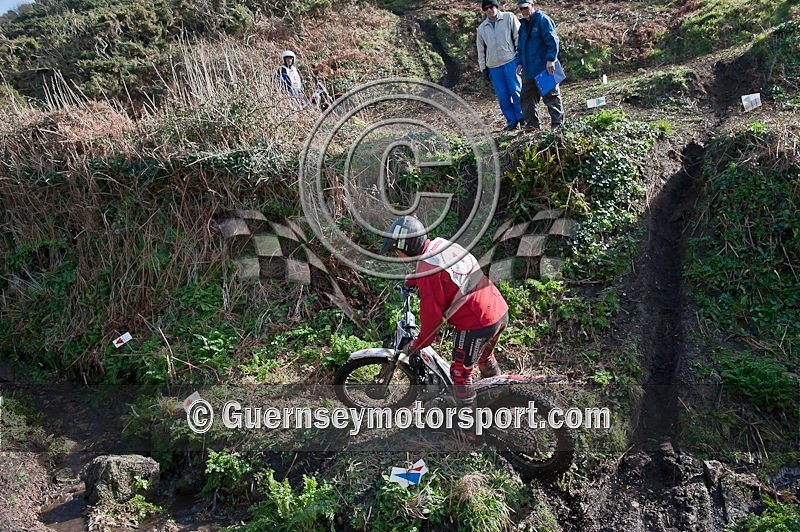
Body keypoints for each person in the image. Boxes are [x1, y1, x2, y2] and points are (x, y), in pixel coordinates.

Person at [380, 215, 510, 405]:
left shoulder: (428, 271)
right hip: (497, 309)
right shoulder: (440, 245)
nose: (397, 256)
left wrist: (416, 344)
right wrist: (413, 279)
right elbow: (446, 272)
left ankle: (468, 429)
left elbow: (432, 323)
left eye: (396, 251)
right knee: (485, 356)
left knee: (459, 374)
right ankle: (501, 395)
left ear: (405, 248)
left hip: (477, 322)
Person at [476, 0, 525, 131]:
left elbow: (518, 37)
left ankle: (522, 118)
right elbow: (480, 50)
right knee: (503, 96)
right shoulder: (482, 28)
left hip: (510, 61)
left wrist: (520, 58)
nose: (489, 10)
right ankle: (511, 121)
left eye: (491, 7)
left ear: (496, 6)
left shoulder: (509, 17)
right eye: (486, 9)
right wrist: (483, 68)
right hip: (493, 66)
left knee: (516, 91)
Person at [516, 0, 564, 131]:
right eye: (521, 9)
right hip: (528, 68)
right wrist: (519, 62)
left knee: (551, 97)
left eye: (526, 7)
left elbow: (552, 40)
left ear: (532, 5)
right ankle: (532, 125)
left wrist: (551, 59)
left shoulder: (543, 20)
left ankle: (557, 125)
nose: (523, 11)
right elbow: (520, 47)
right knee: (526, 98)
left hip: (544, 67)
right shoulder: (523, 25)